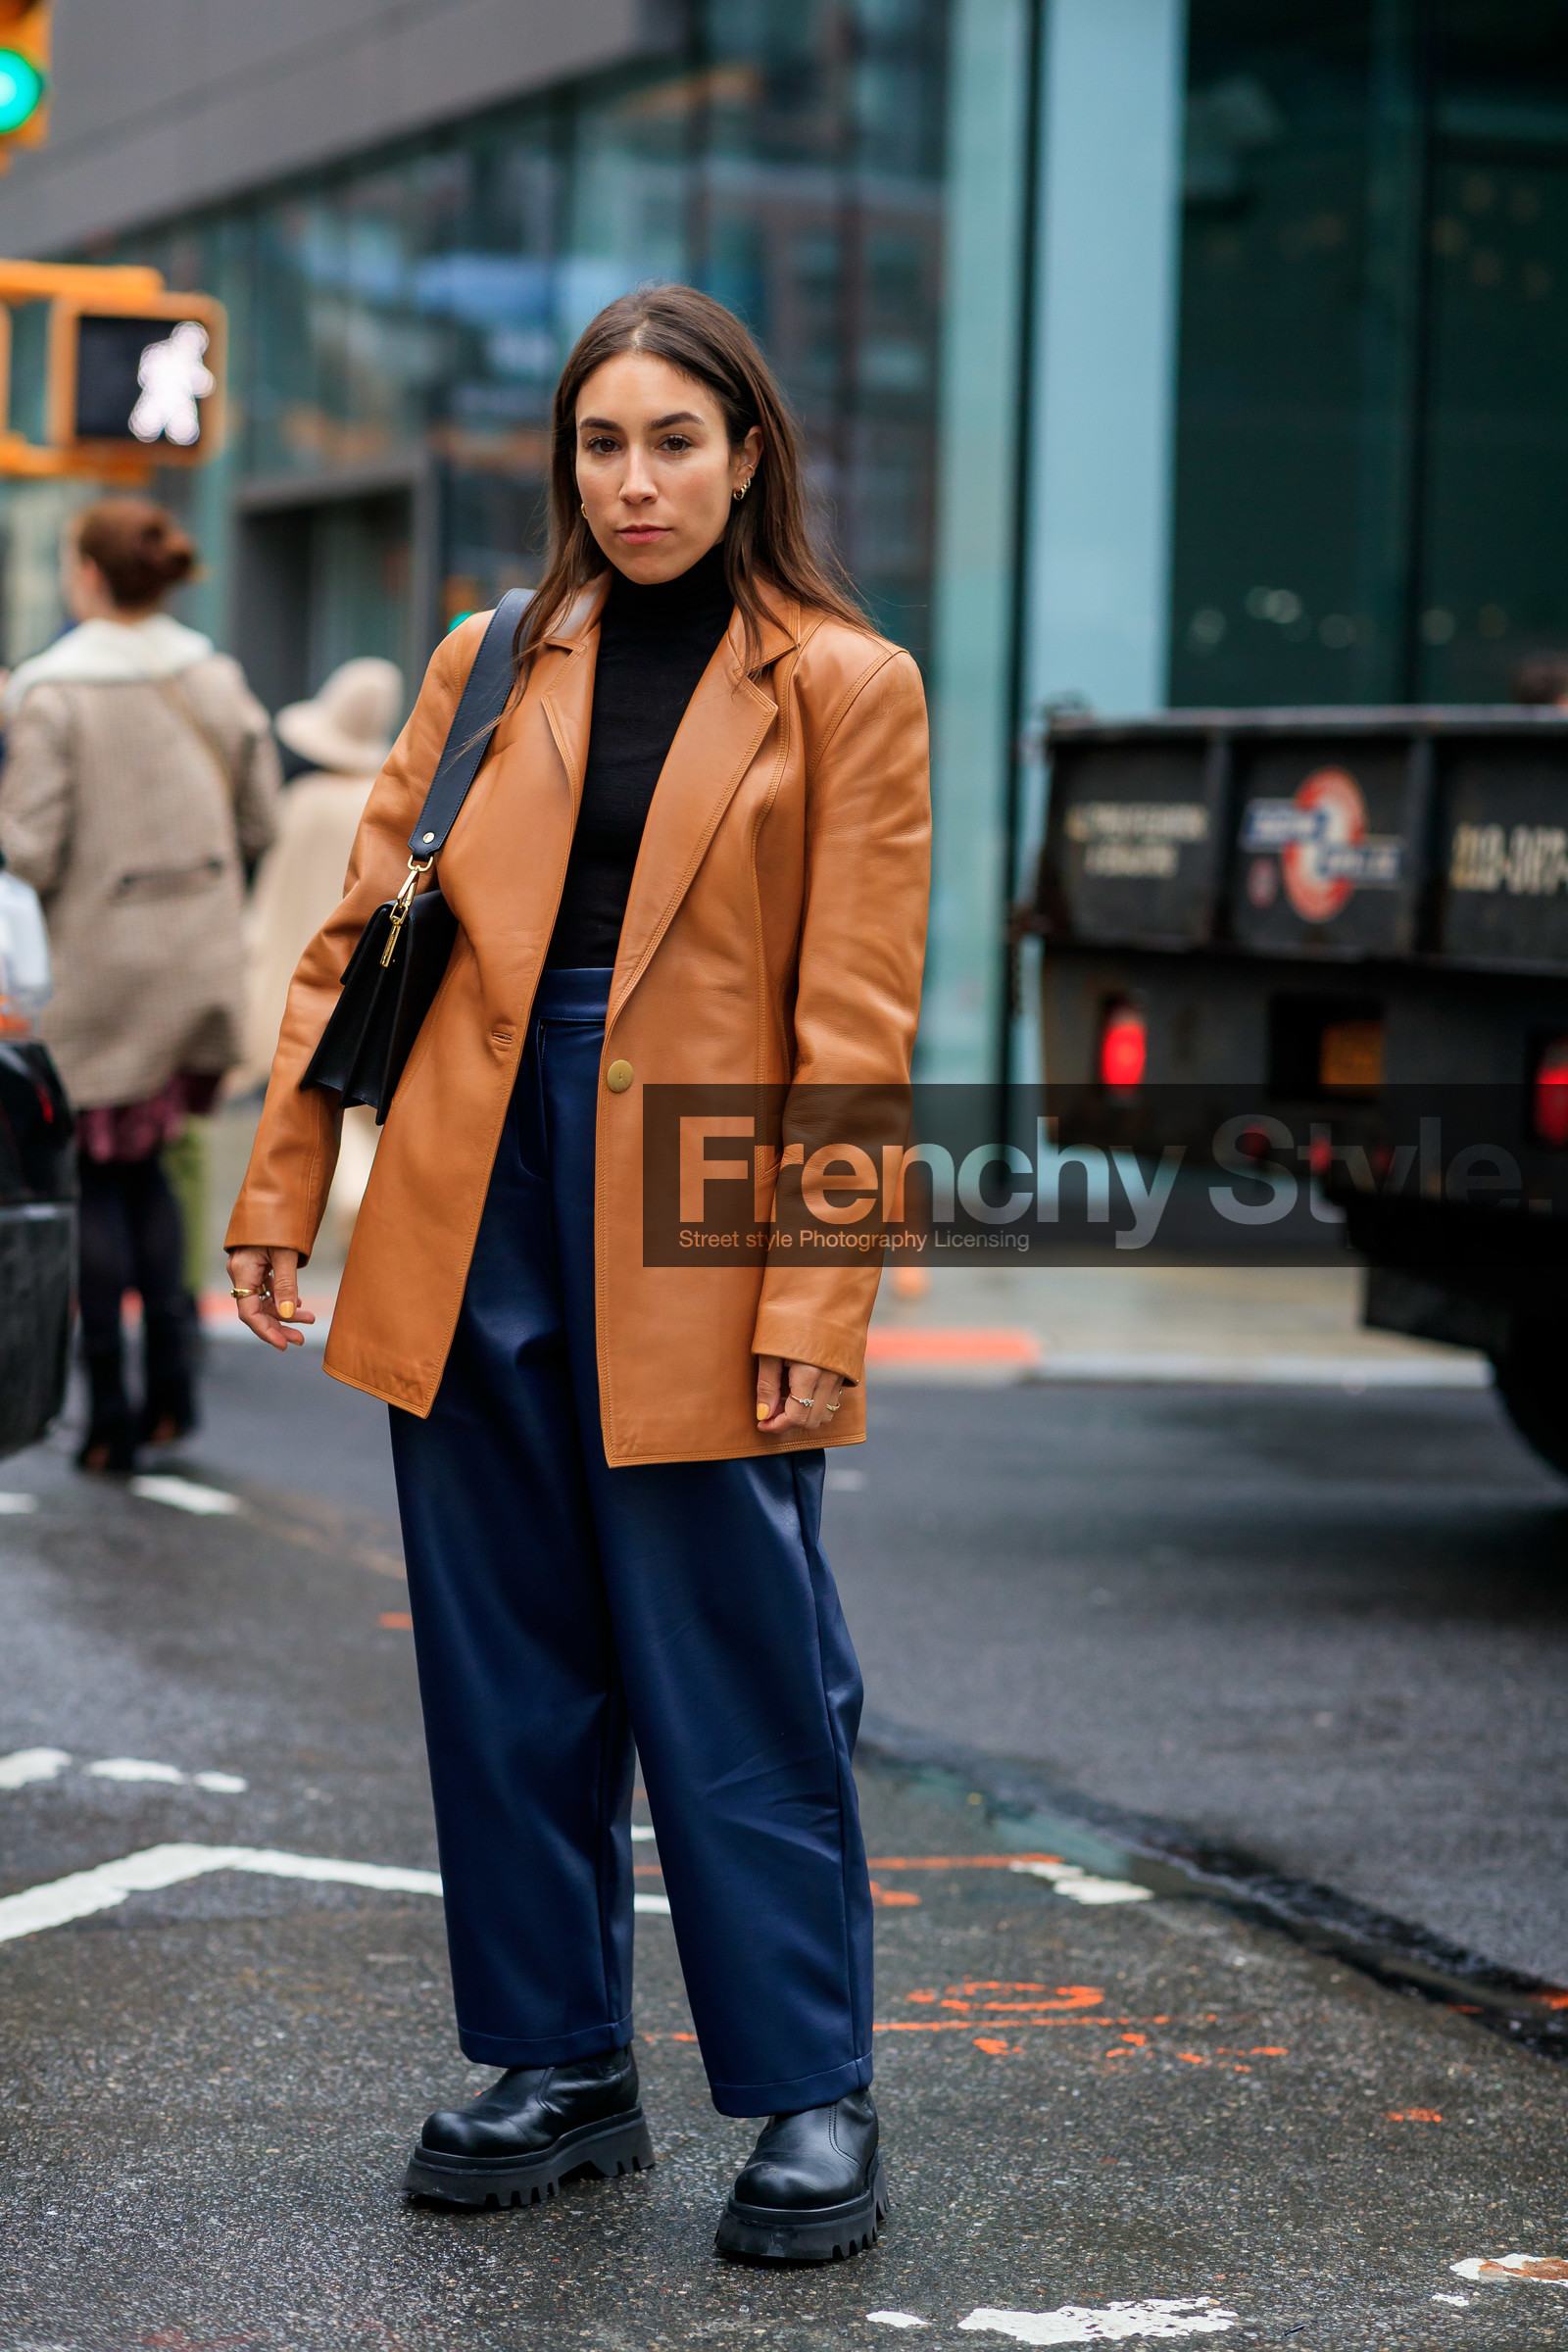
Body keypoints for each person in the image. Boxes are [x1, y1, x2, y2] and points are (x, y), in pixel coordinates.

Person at [224, 286, 929, 2261]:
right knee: (498, 1663)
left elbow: (854, 1026)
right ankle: (559, 2062)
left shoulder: (843, 684)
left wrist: (813, 1305)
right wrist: (284, 1182)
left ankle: (806, 2089)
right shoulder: (489, 658)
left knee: (736, 1667)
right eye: (598, 446)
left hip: (698, 1197)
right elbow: (364, 938)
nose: (632, 483)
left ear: (748, 454)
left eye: (672, 444)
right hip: (470, 1182)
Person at [0, 499, 279, 1471]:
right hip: (195, 958)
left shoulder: (52, 692)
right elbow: (259, 820)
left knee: (100, 1182)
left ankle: (109, 1411)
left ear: (85, 575)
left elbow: (26, 849)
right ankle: (175, 1393)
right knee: (155, 1169)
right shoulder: (213, 673)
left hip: (99, 968)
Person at [234, 657, 404, 1250]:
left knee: (315, 1088)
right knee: (364, 1095)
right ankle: (368, 1197)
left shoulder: (303, 800)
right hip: (374, 968)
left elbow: (272, 897)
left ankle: (350, 1191)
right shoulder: (392, 799)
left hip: (308, 958)